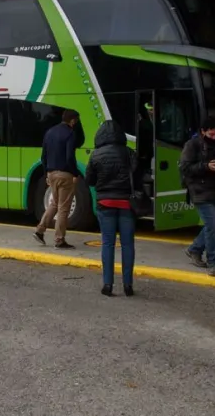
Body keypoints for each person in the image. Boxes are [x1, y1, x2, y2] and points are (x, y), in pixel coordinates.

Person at [85, 119, 137, 297]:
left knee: (108, 243)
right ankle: (128, 286)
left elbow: (89, 180)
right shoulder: (129, 153)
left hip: (105, 203)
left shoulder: (96, 154)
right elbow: (137, 175)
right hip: (126, 203)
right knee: (127, 244)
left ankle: (108, 284)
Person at [179, 117, 215, 276]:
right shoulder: (192, 145)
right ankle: (213, 263)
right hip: (200, 191)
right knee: (212, 227)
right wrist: (206, 166)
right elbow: (185, 167)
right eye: (211, 134)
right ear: (203, 131)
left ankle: (194, 249)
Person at [34, 109, 81, 249]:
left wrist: (47, 173)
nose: (76, 123)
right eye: (76, 121)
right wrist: (75, 173)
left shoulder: (50, 132)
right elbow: (69, 157)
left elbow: (44, 156)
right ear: (72, 120)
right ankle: (59, 240)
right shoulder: (70, 133)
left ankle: (39, 231)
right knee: (63, 208)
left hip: (51, 173)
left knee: (54, 203)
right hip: (65, 174)